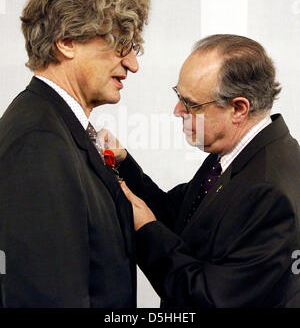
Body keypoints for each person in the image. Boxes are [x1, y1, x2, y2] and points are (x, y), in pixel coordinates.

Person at [101, 34, 300, 307]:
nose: (176, 111)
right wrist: (123, 163)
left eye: (190, 104)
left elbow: (210, 300)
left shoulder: (269, 191)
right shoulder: (235, 154)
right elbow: (180, 216)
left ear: (238, 109)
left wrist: (146, 231)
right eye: (178, 96)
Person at [0, 0, 150, 308]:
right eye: (120, 44)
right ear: (66, 42)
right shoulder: (38, 143)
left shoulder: (58, 128)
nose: (133, 63)